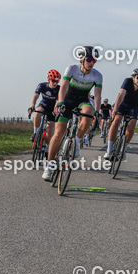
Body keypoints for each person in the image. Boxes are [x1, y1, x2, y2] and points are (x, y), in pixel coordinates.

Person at [41, 46, 103, 180]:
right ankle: (49, 167)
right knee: (59, 133)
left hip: (82, 101)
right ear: (82, 59)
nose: (92, 63)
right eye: (89, 59)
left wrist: (97, 111)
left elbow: (97, 95)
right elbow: (63, 86)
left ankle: (77, 142)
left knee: (89, 112)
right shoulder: (71, 69)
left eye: (94, 60)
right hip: (67, 100)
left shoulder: (97, 75)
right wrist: (60, 101)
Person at [105, 68, 138, 161]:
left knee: (131, 125)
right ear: (133, 78)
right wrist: (115, 109)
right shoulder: (127, 81)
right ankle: (109, 149)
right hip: (122, 104)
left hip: (133, 107)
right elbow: (121, 95)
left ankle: (124, 149)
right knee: (116, 121)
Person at [28, 69, 61, 145]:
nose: (55, 83)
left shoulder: (59, 89)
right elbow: (35, 96)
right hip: (44, 104)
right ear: (48, 80)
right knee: (38, 111)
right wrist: (32, 106)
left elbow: (57, 101)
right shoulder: (42, 85)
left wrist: (55, 109)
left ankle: (47, 148)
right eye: (53, 81)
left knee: (49, 132)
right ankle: (35, 132)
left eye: (57, 81)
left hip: (53, 108)